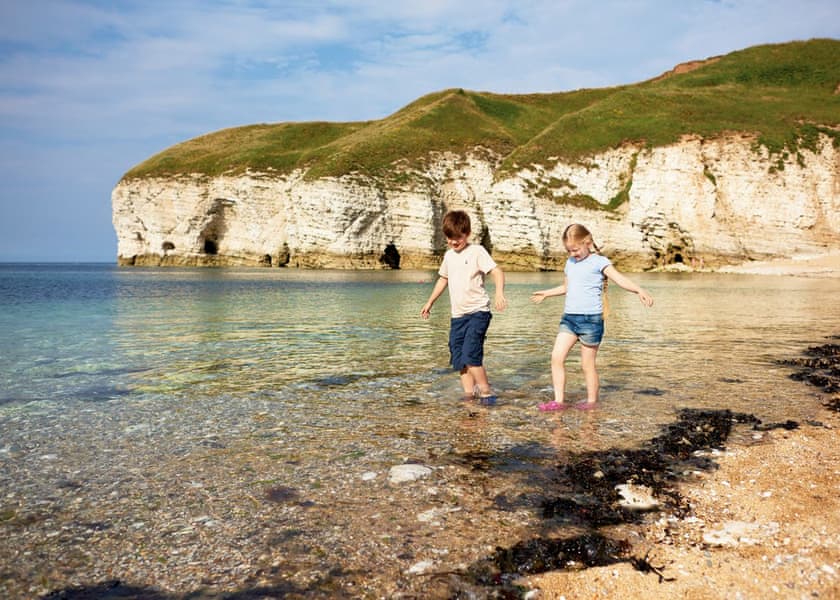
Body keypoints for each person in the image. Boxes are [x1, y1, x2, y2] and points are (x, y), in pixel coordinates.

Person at [531, 223, 653, 411]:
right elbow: (566, 288)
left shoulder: (599, 261)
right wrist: (546, 293)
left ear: (587, 242)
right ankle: (559, 401)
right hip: (569, 319)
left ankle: (592, 402)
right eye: (569, 250)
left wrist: (639, 290)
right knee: (556, 357)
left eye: (576, 249)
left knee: (587, 365)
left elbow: (620, 279)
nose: (573, 254)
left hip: (591, 321)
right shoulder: (570, 263)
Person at [421, 210, 507, 401]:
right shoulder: (449, 256)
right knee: (459, 358)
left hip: (478, 312)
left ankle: (486, 392)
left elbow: (497, 271)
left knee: (471, 354)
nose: (453, 242)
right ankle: (469, 395)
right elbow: (443, 279)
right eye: (449, 238)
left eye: (457, 238)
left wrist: (499, 293)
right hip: (458, 316)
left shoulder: (477, 251)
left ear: (467, 234)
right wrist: (430, 302)